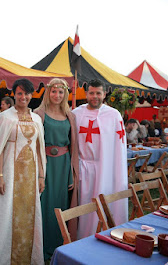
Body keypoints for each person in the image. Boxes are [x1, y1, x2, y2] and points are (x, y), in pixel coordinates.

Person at [0, 78, 47, 265]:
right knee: (6, 212)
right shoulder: (4, 117)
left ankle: (30, 257)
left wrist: (42, 176)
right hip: (10, 173)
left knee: (31, 211)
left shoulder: (36, 119)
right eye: (19, 93)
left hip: (31, 175)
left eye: (26, 93)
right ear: (14, 94)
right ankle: (2, 258)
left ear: (31, 95)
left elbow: (40, 149)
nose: (23, 97)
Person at [72, 79, 128, 239]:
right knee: (85, 204)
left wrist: (114, 170)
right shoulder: (77, 113)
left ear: (104, 94)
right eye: (91, 93)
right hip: (84, 168)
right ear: (87, 94)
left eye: (98, 93)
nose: (94, 96)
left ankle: (105, 231)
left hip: (105, 168)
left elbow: (118, 147)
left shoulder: (113, 115)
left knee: (103, 198)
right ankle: (83, 236)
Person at [34, 78, 79, 260]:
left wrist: (71, 174)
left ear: (65, 94)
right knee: (44, 205)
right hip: (44, 165)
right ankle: (41, 247)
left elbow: (73, 148)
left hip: (63, 166)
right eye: (54, 91)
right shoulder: (38, 114)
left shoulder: (71, 116)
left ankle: (58, 245)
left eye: (61, 92)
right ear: (48, 92)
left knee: (60, 206)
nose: (57, 95)